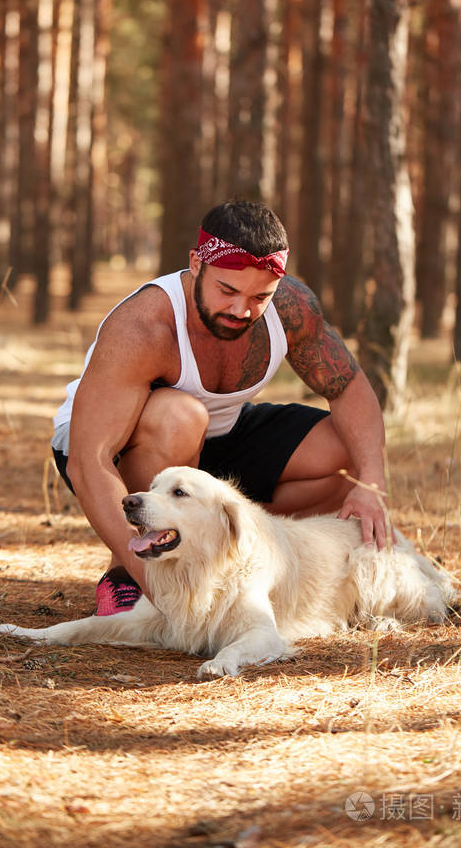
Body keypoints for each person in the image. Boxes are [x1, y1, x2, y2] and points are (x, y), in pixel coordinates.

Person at [52, 200, 390, 615]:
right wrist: (160, 595)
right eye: (227, 290)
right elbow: (89, 461)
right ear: (196, 263)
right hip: (111, 447)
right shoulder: (143, 326)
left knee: (349, 453)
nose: (241, 309)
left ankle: (227, 556)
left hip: (217, 438)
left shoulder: (291, 308)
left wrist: (372, 482)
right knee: (181, 417)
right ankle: (126, 577)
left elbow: (349, 388)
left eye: (259, 296)